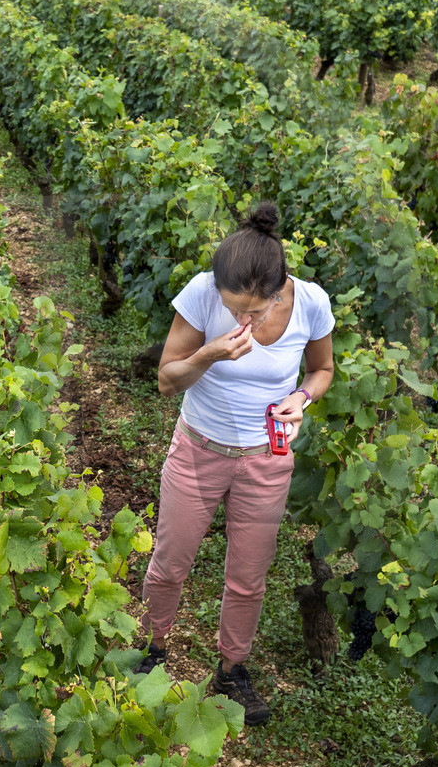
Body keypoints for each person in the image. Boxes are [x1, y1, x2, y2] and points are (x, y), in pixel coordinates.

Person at [135, 201, 335, 726]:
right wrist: (207, 355)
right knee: (171, 559)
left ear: (280, 288)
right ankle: (152, 648)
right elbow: (166, 379)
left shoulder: (311, 303)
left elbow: (322, 369)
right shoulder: (202, 294)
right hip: (199, 448)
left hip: (265, 460)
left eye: (255, 312)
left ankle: (232, 669)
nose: (242, 320)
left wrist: (304, 399)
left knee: (249, 576)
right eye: (232, 310)